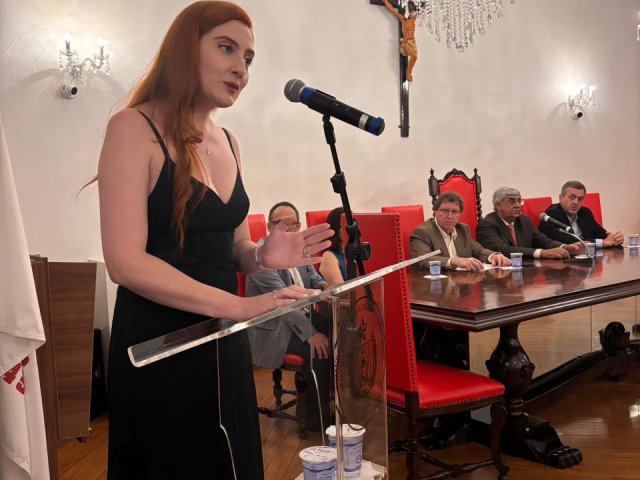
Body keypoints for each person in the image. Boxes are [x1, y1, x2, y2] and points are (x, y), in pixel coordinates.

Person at [96, 3, 332, 479]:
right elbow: (125, 262)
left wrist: (262, 255)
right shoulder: (132, 128)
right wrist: (238, 306)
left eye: (248, 58)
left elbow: (235, 249)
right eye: (226, 48)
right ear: (186, 49)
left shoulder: (228, 140)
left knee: (230, 461)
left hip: (224, 339)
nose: (240, 68)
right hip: (159, 342)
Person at [245, 201, 331, 431]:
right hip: (274, 327)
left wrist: (327, 289)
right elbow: (283, 304)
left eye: (294, 225)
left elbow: (315, 280)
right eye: (282, 225)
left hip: (301, 315)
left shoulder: (298, 249)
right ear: (269, 227)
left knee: (341, 331)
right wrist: (311, 334)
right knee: (319, 349)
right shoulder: (260, 258)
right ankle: (316, 417)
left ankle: (336, 402)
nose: (290, 230)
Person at [410, 191, 511, 272]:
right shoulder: (422, 232)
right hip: (435, 285)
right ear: (435, 212)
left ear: (459, 214)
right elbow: (422, 260)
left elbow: (478, 250)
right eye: (445, 211)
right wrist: (454, 261)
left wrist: (493, 256)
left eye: (455, 212)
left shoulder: (462, 229)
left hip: (462, 283)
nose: (450, 216)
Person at [476, 187, 581, 259]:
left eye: (519, 201)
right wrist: (541, 253)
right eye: (512, 201)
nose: (517, 205)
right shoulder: (487, 225)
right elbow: (504, 250)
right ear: (498, 205)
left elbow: (544, 241)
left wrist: (564, 247)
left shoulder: (524, 220)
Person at [539, 180, 624, 247]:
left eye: (580, 199)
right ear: (561, 198)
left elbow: (601, 234)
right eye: (571, 197)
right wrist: (603, 243)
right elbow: (570, 241)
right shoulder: (553, 214)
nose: (576, 202)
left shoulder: (585, 212)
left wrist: (615, 238)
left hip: (586, 258)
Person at [382, 0, 419, 81]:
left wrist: (425, 5)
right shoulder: (403, 20)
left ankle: (408, 73)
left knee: (415, 57)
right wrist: (385, 1)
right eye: (411, 11)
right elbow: (392, 10)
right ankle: (408, 73)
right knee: (414, 56)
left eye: (413, 11)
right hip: (406, 43)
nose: (412, 13)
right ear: (408, 11)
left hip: (413, 42)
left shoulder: (413, 19)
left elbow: (422, 10)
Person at [320, 206, 347, 285]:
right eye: (344, 225)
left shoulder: (354, 250)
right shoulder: (328, 256)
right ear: (335, 228)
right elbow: (341, 290)